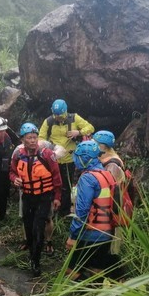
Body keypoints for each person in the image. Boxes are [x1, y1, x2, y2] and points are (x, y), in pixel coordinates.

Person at [38, 98, 94, 253]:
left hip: (70, 160)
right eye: (56, 115)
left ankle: (65, 212)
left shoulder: (74, 118)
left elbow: (90, 128)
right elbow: (40, 139)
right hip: (53, 160)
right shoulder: (49, 122)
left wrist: (79, 132)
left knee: (69, 187)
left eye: (61, 115)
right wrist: (52, 148)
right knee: (56, 185)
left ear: (66, 111)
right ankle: (54, 209)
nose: (59, 118)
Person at [10, 123, 62, 276]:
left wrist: (57, 197)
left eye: (34, 137)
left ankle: (35, 262)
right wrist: (14, 179)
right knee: (28, 229)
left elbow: (57, 177)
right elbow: (12, 172)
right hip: (27, 196)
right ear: (23, 140)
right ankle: (33, 254)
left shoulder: (46, 154)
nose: (33, 140)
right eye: (29, 138)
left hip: (43, 197)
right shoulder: (18, 155)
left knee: (38, 228)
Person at [65, 140, 119, 281]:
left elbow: (81, 211)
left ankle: (84, 295)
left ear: (85, 158)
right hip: (107, 232)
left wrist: (73, 236)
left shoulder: (88, 178)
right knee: (96, 269)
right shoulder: (107, 174)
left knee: (70, 270)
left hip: (90, 233)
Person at [93, 130, 126, 254]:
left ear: (103, 146)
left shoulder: (112, 164)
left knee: (109, 236)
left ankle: (107, 259)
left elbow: (110, 187)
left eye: (95, 143)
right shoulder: (104, 157)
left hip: (111, 205)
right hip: (107, 204)